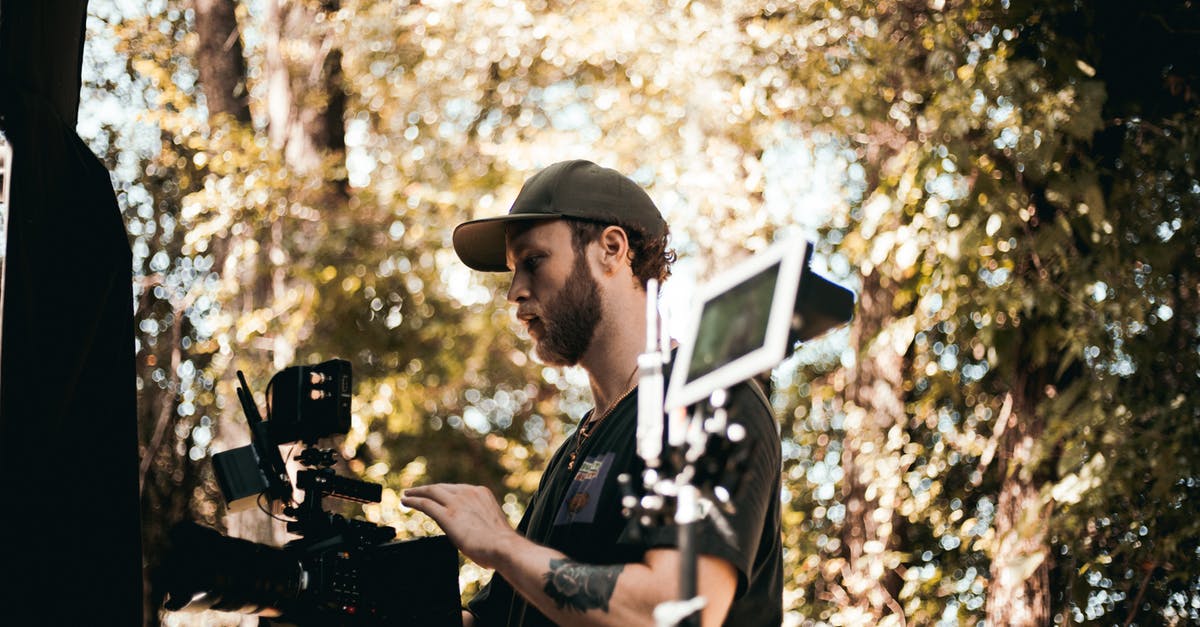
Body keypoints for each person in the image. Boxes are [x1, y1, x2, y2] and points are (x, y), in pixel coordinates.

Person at [402, 160, 782, 626]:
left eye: (533, 261)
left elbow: (678, 611)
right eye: (512, 271)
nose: (514, 292)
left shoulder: (709, 397)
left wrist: (501, 543)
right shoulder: (576, 446)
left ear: (611, 249)